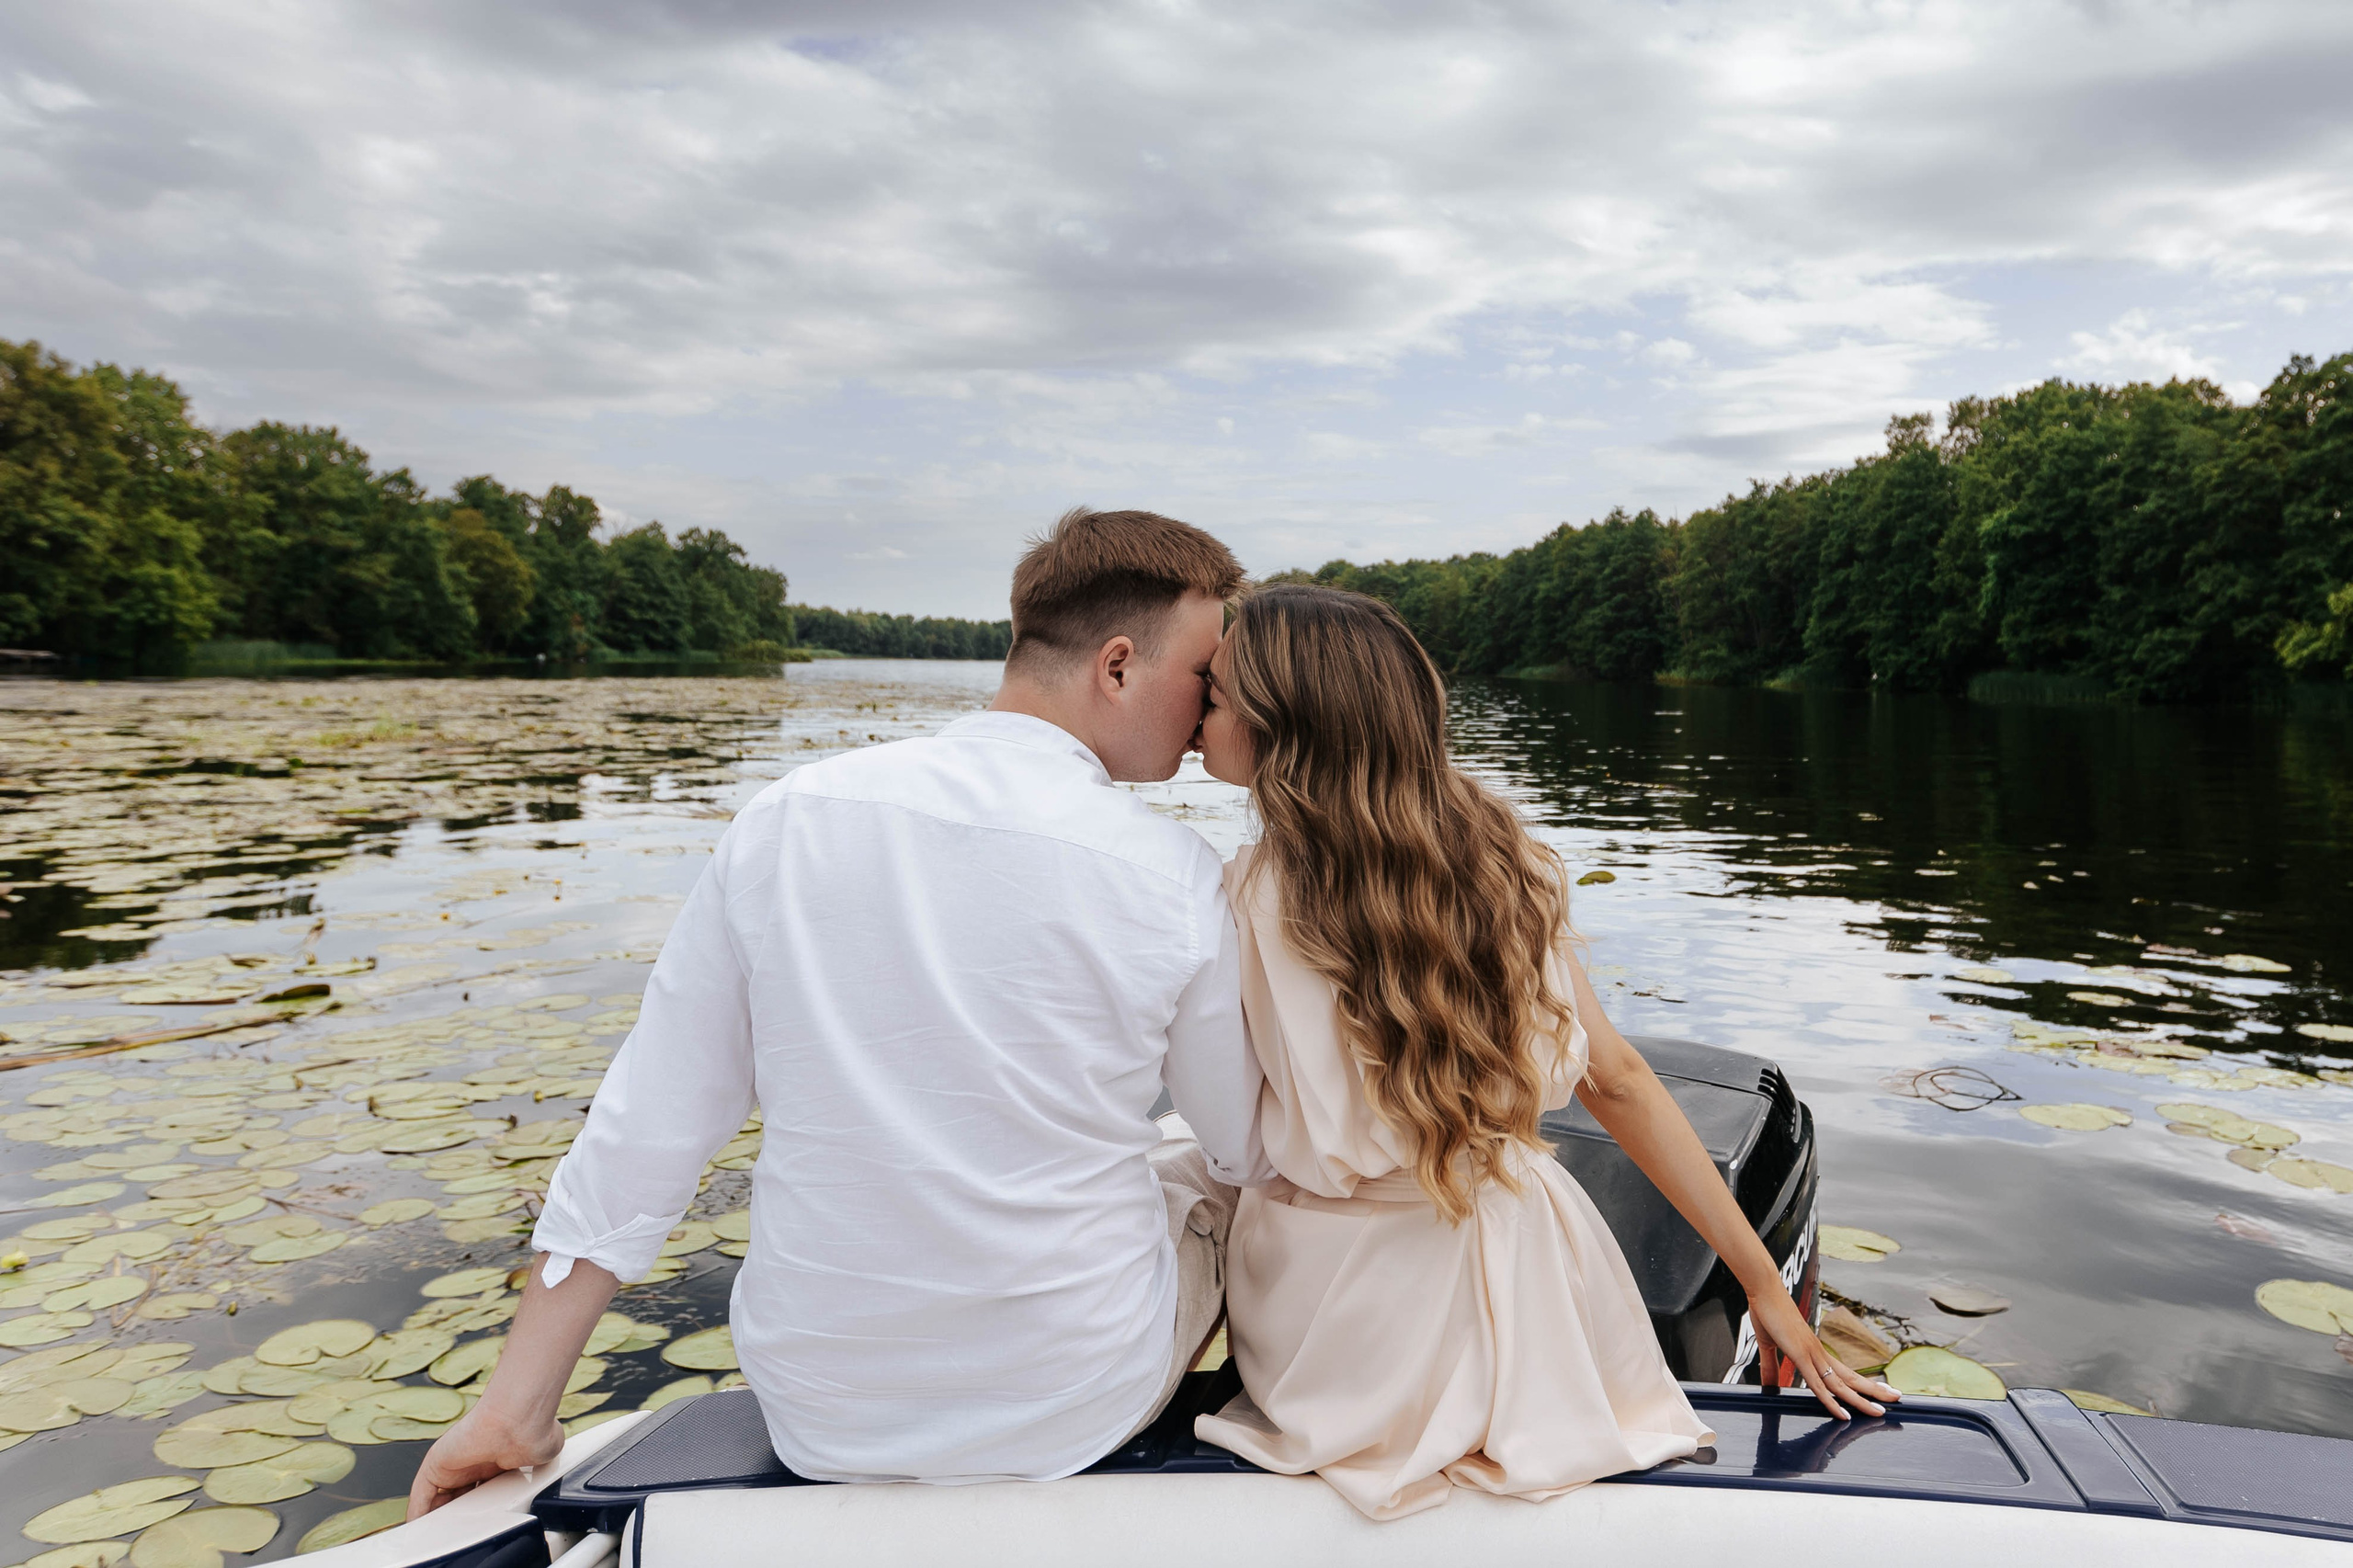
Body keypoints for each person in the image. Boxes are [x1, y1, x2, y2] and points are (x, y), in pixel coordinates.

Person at [408, 507, 1270, 1516]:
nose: (1211, 705)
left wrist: (516, 1405)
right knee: (1208, 1178)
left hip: (821, 1415)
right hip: (1069, 1405)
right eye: (1202, 677)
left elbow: (648, 1125)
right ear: (1117, 666)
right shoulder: (1174, 875)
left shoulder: (786, 817)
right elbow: (1246, 1144)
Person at [1189, 584, 1899, 1520]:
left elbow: (1229, 1134)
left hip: (1337, 1322)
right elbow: (1617, 1080)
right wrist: (1761, 1284)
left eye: (1218, 692)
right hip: (1528, 1286)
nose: (1200, 707)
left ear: (1287, 727)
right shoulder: (1502, 867)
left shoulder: (1236, 896)